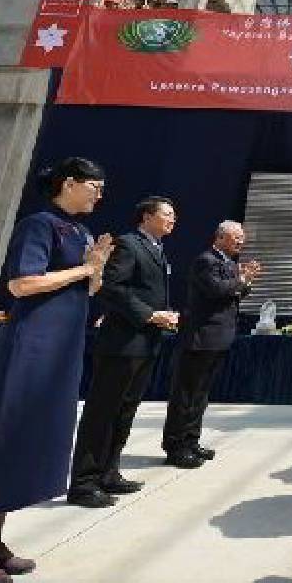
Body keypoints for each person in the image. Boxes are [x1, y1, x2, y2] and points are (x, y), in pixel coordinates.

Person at [0, 158, 112, 583]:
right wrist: (84, 267)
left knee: (26, 446)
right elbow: (22, 284)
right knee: (0, 442)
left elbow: (88, 290)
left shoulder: (82, 232)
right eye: (94, 185)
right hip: (30, 348)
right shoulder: (39, 224)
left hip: (61, 352)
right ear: (69, 183)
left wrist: (95, 270)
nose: (100, 193)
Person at [69, 197, 179, 505]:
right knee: (102, 412)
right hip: (122, 344)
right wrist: (149, 314)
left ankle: (109, 472)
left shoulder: (157, 249)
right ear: (146, 217)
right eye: (167, 214)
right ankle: (83, 482)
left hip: (144, 344)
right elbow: (112, 288)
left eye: (174, 215)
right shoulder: (129, 245)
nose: (173, 219)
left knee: (124, 411)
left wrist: (163, 314)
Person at [162, 221, 262, 464]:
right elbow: (216, 290)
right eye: (236, 237)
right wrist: (241, 278)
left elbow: (234, 294)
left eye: (242, 238)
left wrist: (244, 281)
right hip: (200, 338)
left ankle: (191, 441)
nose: (241, 242)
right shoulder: (206, 260)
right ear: (220, 238)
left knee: (201, 395)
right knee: (186, 395)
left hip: (217, 338)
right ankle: (176, 446)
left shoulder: (228, 262)